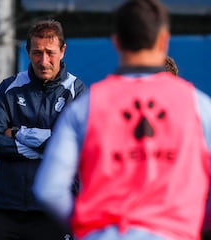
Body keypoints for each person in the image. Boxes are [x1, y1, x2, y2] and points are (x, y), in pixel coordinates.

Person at [34, 0, 211, 240]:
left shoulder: (86, 107)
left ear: (116, 41)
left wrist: (88, 228)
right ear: (163, 40)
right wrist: (190, 224)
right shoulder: (198, 106)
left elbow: (49, 190)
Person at [0, 19, 87, 240]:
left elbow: (76, 146)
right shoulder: (9, 87)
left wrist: (19, 133)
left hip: (53, 210)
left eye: (50, 52)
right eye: (37, 53)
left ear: (63, 51)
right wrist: (47, 145)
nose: (44, 61)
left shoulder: (76, 91)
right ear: (28, 51)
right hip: (7, 208)